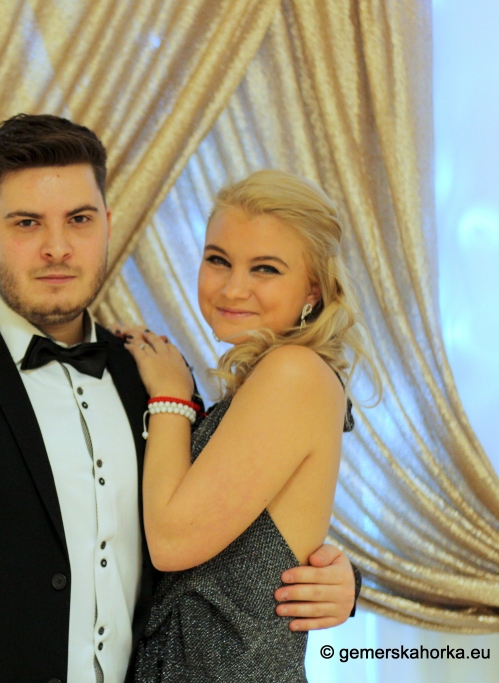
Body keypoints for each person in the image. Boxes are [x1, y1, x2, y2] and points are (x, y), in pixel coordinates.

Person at [0, 116, 360, 683]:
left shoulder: (156, 379)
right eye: (27, 223)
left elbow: (226, 531)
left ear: (107, 225)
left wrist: (337, 577)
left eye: (79, 219)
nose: (57, 248)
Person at [120, 170, 379, 682]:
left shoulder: (293, 373)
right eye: (218, 260)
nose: (233, 287)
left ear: (313, 287)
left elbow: (171, 542)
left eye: (265, 268)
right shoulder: (272, 378)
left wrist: (171, 397)